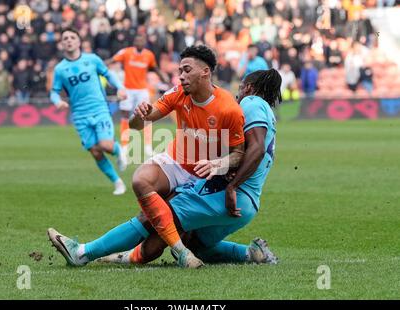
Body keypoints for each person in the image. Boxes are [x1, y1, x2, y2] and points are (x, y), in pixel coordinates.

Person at [47, 68, 281, 268]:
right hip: (248, 205)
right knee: (193, 244)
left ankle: (82, 252)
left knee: (154, 218)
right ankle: (249, 254)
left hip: (228, 194)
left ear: (250, 87)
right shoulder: (269, 114)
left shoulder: (252, 102)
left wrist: (233, 186)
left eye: (241, 88)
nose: (238, 94)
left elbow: (257, 149)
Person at [50, 28, 128, 195]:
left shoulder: (92, 59)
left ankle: (118, 149)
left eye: (72, 37)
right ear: (62, 44)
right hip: (79, 114)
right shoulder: (60, 69)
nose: (69, 40)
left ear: (79, 42)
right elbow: (54, 91)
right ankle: (118, 182)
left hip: (99, 108)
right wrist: (57, 102)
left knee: (105, 145)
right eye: (65, 38)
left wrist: (120, 88)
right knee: (95, 151)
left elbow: (108, 75)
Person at [106, 34, 168, 157]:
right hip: (127, 89)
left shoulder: (148, 55)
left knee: (146, 116)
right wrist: (98, 65)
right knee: (124, 115)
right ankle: (124, 146)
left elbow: (154, 68)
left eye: (141, 40)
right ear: (134, 42)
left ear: (144, 42)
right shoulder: (126, 52)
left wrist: (163, 77)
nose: (139, 42)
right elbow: (112, 60)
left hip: (142, 90)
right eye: (137, 40)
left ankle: (148, 147)